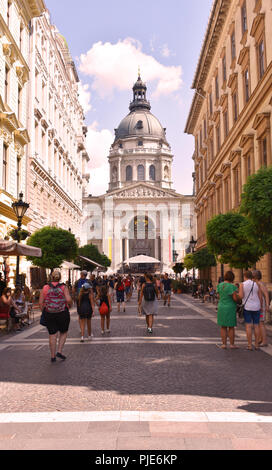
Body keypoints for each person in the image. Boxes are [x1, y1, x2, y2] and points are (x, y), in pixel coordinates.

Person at [39, 270, 72, 362]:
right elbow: (68, 300)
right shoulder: (63, 287)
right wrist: (70, 304)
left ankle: (52, 356)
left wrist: (44, 311)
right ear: (60, 277)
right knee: (63, 332)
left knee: (52, 334)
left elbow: (41, 303)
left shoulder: (45, 287)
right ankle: (59, 351)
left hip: (49, 313)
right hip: (62, 313)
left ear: (51, 277)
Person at [238, 270, 263, 351]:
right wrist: (261, 306)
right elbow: (260, 297)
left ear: (244, 276)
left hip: (247, 307)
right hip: (257, 307)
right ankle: (256, 345)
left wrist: (237, 294)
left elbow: (241, 296)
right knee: (256, 326)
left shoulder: (242, 284)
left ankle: (249, 345)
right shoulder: (257, 284)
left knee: (248, 326)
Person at [216, 271, 241, 349]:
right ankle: (232, 344)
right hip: (230, 307)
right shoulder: (232, 286)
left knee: (223, 326)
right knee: (231, 327)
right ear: (232, 278)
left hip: (221, 307)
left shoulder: (219, 285)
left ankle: (223, 344)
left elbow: (218, 296)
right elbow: (234, 298)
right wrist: (238, 298)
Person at [252, 270, 269, 347]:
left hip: (261, 307)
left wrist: (267, 305)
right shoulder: (256, 284)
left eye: (252, 275)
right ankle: (260, 339)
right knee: (258, 323)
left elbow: (266, 295)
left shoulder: (260, 284)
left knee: (261, 323)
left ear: (255, 276)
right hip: (258, 306)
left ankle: (264, 341)